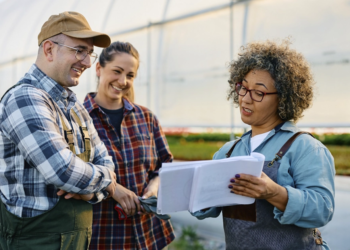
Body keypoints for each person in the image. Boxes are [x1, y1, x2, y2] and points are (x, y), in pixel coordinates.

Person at [192, 40, 335, 250]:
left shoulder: (305, 147)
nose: (245, 99)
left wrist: (274, 193)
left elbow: (322, 209)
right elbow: (205, 209)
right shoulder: (228, 151)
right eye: (243, 88)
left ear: (285, 99)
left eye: (258, 92)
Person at [0, 11, 118, 249]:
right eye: (79, 50)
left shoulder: (74, 105)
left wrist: (90, 191)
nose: (87, 62)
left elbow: (106, 161)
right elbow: (62, 171)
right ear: (49, 50)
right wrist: (106, 182)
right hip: (35, 241)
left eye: (89, 53)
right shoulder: (25, 98)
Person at [83, 41, 174, 250]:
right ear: (98, 68)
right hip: (104, 235)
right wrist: (113, 189)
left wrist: (153, 187)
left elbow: (165, 165)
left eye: (130, 75)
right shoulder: (78, 119)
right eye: (117, 71)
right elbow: (74, 175)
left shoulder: (146, 117)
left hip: (148, 232)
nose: (123, 81)